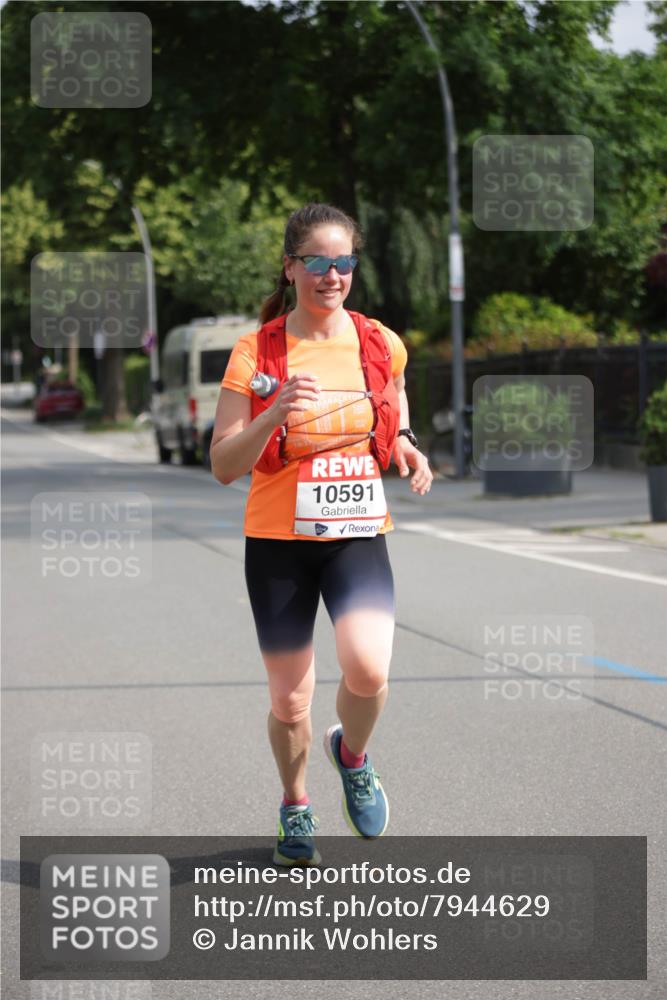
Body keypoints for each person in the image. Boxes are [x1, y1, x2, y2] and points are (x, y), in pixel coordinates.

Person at [210, 202, 432, 866]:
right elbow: (223, 463)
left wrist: (407, 443)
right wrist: (271, 410)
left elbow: (391, 395)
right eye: (317, 263)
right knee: (290, 697)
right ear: (291, 268)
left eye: (343, 264)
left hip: (356, 530)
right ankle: (295, 803)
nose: (332, 276)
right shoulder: (257, 351)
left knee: (367, 670)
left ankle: (352, 756)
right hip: (278, 541)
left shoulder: (378, 339)